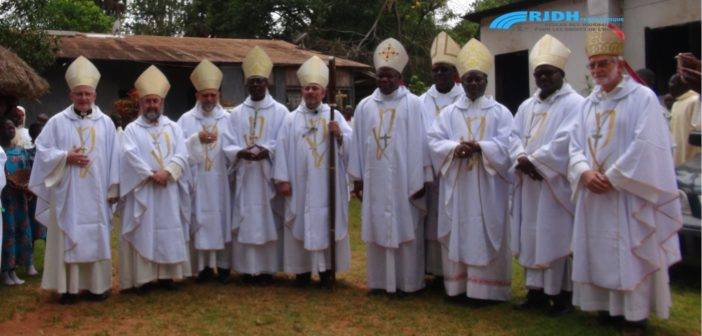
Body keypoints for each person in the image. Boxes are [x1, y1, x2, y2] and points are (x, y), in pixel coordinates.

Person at [568, 26, 682, 334]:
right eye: (592, 65)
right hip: (594, 191)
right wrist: (583, 172)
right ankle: (606, 306)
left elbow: (648, 144)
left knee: (630, 250)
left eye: (603, 63)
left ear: (619, 63)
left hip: (628, 194)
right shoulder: (588, 103)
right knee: (599, 248)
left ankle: (635, 313)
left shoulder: (642, 98)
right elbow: (574, 145)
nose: (597, 70)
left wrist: (613, 177)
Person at [427, 38, 513, 303]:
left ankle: (486, 290)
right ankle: (458, 287)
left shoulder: (500, 112)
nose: (473, 84)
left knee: (486, 230)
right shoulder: (450, 113)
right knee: (458, 229)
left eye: (478, 79)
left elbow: (509, 144)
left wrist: (481, 147)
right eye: (468, 80)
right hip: (459, 186)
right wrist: (455, 149)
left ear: (486, 81)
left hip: (489, 188)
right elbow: (434, 141)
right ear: (461, 81)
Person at [28, 56, 119, 304]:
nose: (83, 98)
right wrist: (65, 156)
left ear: (95, 95)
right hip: (67, 193)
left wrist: (114, 188)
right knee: (68, 235)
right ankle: (67, 288)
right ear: (71, 95)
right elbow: (42, 151)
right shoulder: (57, 122)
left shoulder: (106, 124)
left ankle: (97, 287)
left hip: (97, 194)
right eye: (78, 94)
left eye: (87, 94)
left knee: (96, 235)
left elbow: (114, 158)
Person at [510, 34, 584, 314]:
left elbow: (569, 139)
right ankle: (536, 293)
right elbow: (512, 135)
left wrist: (536, 162)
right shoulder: (528, 106)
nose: (542, 78)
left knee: (556, 234)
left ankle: (562, 295)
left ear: (561, 73)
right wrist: (520, 157)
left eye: (548, 72)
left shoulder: (576, 104)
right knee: (531, 235)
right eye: (538, 73)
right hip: (530, 183)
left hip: (555, 184)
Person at [347, 38, 428, 294]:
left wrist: (421, 179)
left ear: (399, 76)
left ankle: (407, 283)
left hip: (406, 180)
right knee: (378, 228)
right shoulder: (365, 106)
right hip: (376, 180)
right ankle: (380, 283)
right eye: (381, 75)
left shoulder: (414, 104)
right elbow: (358, 143)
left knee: (405, 229)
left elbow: (422, 143)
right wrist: (358, 178)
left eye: (390, 76)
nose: (385, 80)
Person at [273, 56, 353, 287]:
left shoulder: (334, 115)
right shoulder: (290, 120)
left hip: (327, 185)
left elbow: (350, 144)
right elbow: (282, 150)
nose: (310, 92)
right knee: (300, 220)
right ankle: (303, 270)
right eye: (307, 88)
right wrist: (283, 180)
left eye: (315, 88)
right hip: (300, 184)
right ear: (302, 90)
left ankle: (327, 270)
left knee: (327, 221)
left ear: (323, 92)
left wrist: (339, 135)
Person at [119, 65, 191, 292]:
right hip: (145, 189)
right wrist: (151, 175)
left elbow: (183, 153)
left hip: (168, 189)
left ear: (162, 103)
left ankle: (167, 276)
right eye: (148, 101)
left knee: (168, 229)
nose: (152, 105)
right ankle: (144, 278)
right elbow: (129, 155)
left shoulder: (174, 127)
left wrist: (168, 172)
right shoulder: (131, 129)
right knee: (145, 230)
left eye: (156, 101)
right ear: (141, 104)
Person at [222, 47, 288, 284]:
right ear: (246, 84)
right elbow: (227, 143)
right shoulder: (236, 113)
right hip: (245, 176)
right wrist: (239, 152)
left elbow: (284, 141)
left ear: (267, 82)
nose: (256, 86)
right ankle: (247, 269)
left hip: (268, 176)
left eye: (259, 81)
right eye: (252, 82)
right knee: (247, 217)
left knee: (268, 218)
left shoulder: (281, 112)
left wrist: (267, 150)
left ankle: (268, 269)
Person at [177, 59, 233, 283]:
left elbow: (234, 148)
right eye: (204, 95)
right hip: (197, 181)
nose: (209, 99)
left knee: (221, 220)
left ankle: (222, 265)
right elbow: (179, 150)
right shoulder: (185, 120)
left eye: (213, 95)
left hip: (221, 181)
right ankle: (202, 267)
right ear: (197, 95)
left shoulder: (229, 119)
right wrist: (195, 139)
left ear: (218, 94)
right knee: (198, 220)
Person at [418, 31, 463, 282]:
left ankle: (453, 272)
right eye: (436, 70)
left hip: (455, 172)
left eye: (445, 70)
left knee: (453, 219)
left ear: (454, 71)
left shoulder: (465, 98)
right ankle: (433, 269)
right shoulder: (421, 100)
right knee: (430, 222)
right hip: (429, 173)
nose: (440, 75)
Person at [0, 119, 33, 285]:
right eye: (5, 128)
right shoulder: (1, 151)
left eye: (11, 127)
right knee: (8, 231)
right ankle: (6, 269)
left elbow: (27, 170)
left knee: (23, 228)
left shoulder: (21, 151)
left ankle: (24, 264)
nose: (9, 130)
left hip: (20, 196)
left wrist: (27, 186)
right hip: (5, 199)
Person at [668, 73, 700, 166]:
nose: (670, 88)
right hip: (678, 156)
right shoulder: (676, 103)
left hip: (693, 160)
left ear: (685, 85)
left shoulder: (695, 100)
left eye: (672, 84)